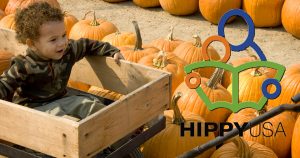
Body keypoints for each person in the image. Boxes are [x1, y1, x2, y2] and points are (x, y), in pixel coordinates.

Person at [0, 2, 124, 120]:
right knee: (68, 120)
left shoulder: (68, 51)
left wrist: (112, 51)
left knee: (91, 105)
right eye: (53, 40)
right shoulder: (23, 66)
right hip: (34, 111)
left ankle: (118, 133)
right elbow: (4, 85)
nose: (62, 43)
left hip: (60, 99)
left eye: (64, 35)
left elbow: (86, 44)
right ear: (32, 44)